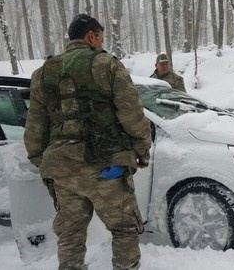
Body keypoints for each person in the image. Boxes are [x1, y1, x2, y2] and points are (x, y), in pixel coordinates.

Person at [24, 14, 152, 270]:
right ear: (91, 36)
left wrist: (40, 160)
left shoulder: (44, 72)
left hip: (62, 168)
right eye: (101, 38)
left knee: (70, 234)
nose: (101, 43)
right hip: (105, 165)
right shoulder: (106, 64)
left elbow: (35, 123)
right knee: (124, 228)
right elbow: (131, 112)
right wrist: (142, 150)